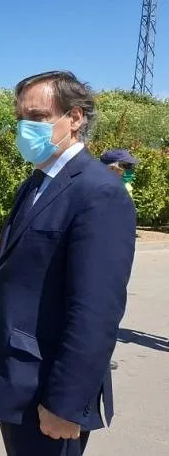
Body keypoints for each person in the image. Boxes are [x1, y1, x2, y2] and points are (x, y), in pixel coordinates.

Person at [0, 71, 135, 456]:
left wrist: (66, 403)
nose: (25, 128)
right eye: (20, 118)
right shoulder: (38, 182)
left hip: (49, 391)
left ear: (74, 118)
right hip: (18, 379)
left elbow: (95, 312)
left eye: (38, 117)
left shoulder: (98, 192)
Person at [100, 148, 141, 372]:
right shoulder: (104, 189)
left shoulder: (123, 188)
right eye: (126, 167)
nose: (130, 171)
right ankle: (96, 357)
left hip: (117, 258)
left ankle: (102, 354)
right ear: (111, 167)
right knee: (100, 310)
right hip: (104, 259)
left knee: (111, 309)